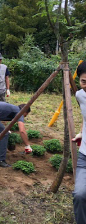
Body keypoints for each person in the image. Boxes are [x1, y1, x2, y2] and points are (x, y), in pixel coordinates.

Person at [0, 101, 32, 167]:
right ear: (25, 112)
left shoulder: (12, 108)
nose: (23, 118)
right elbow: (22, 131)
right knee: (4, 134)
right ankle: (0, 160)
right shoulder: (19, 112)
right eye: (25, 116)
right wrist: (27, 145)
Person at [72, 61, 86, 224]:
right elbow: (84, 116)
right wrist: (81, 133)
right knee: (80, 195)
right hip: (84, 154)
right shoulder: (80, 95)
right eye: (84, 81)